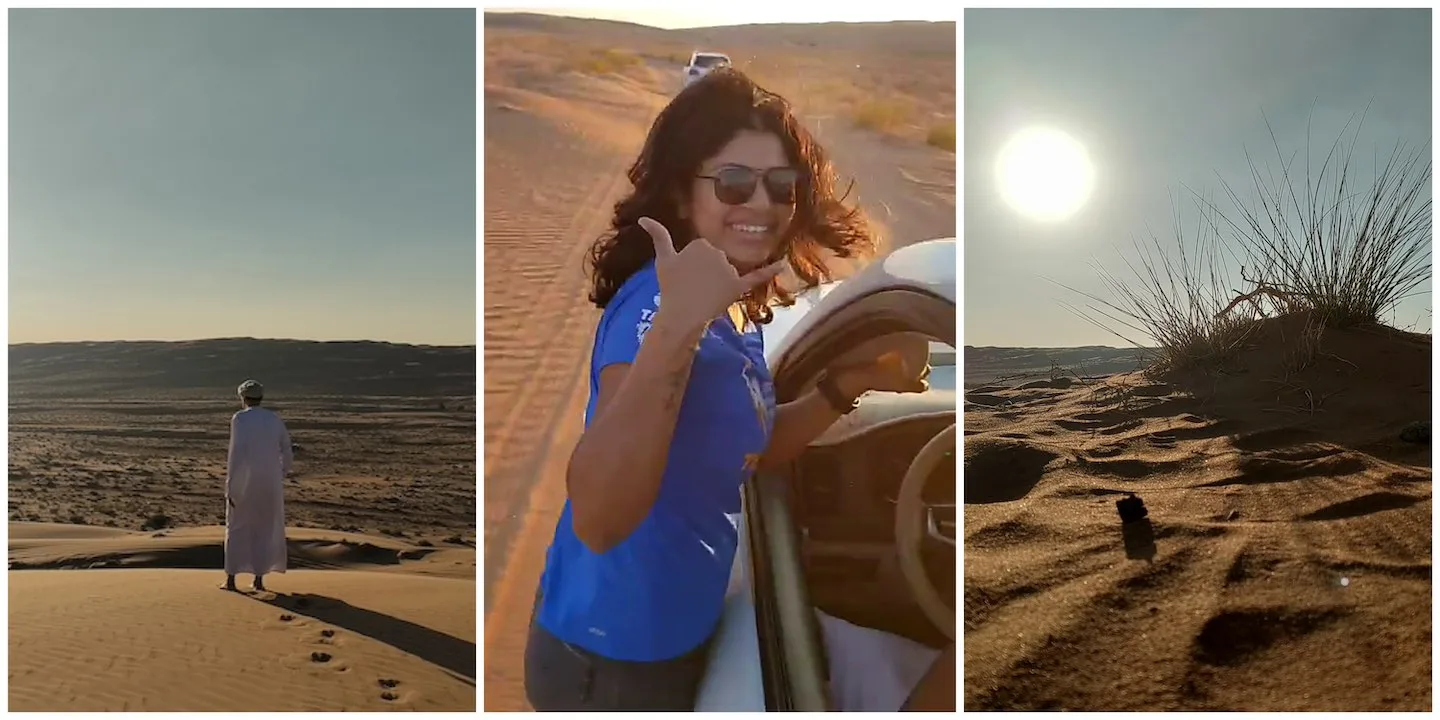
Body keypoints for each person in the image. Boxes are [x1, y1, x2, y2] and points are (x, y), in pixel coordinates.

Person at [523, 67, 929, 711]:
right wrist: (676, 332)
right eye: (734, 183)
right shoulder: (660, 307)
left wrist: (850, 382)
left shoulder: (731, 303)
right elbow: (600, 519)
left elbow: (753, 447)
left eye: (782, 186)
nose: (761, 203)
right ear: (684, 197)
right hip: (615, 655)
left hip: (678, 624)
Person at [222, 379, 293, 593]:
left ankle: (231, 580)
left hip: (244, 483)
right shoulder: (273, 418)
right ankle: (259, 580)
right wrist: (279, 473)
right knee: (265, 528)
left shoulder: (240, 419)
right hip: (270, 484)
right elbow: (287, 450)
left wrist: (231, 486)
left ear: (243, 397)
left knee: (236, 528)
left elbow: (236, 453)